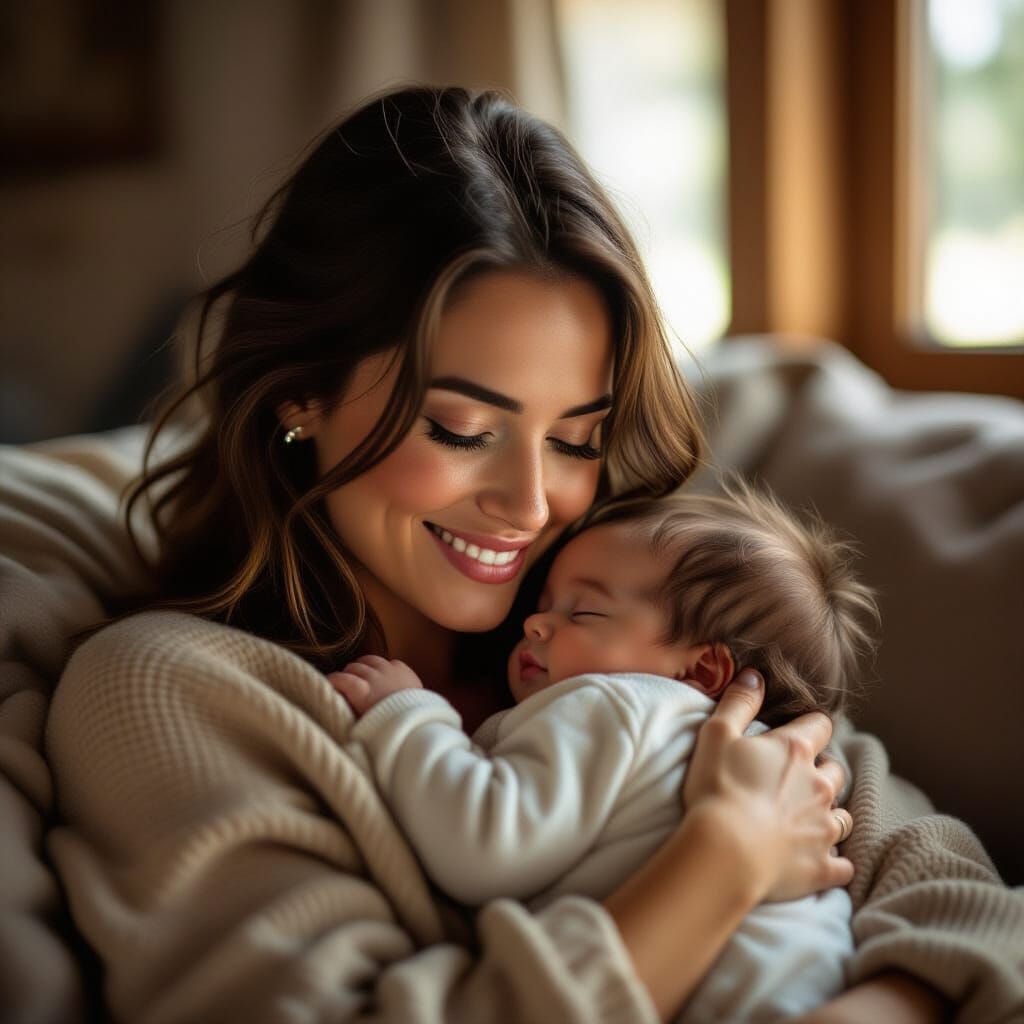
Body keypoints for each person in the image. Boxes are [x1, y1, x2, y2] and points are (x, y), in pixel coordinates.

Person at [43, 85, 1012, 1024]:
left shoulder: (631, 621)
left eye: (575, 438)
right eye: (463, 430)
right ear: (300, 391)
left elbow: (957, 888)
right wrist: (724, 857)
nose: (531, 504)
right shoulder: (163, 688)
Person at [328, 483, 872, 1022]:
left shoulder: (614, 704)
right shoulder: (781, 764)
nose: (534, 623)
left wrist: (405, 714)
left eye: (584, 612)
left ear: (702, 670)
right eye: (545, 605)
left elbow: (483, 845)